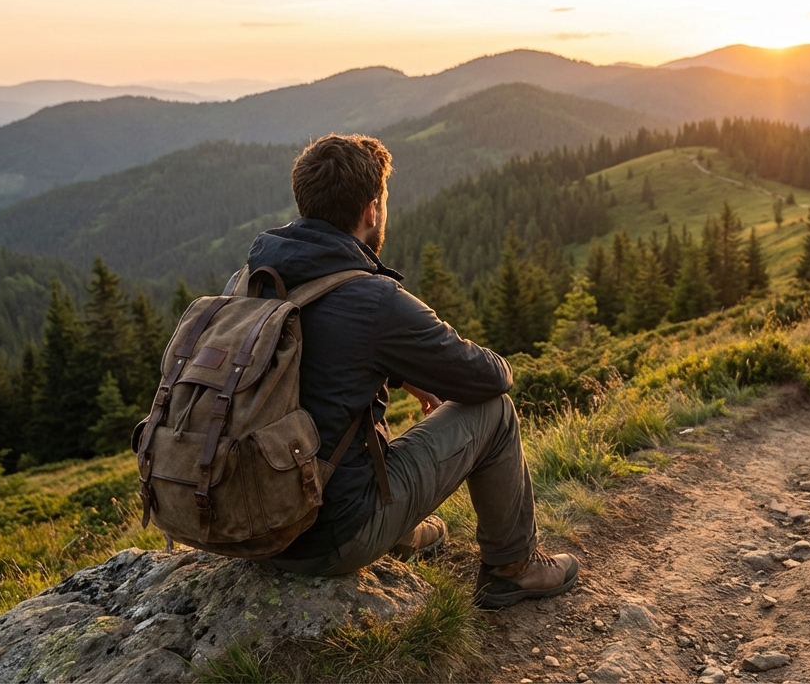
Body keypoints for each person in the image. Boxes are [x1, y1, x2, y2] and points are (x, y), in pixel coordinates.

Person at [246, 133, 578, 608]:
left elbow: (311, 361)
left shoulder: (255, 278)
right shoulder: (374, 299)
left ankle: (400, 532)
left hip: (253, 527)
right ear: (371, 211)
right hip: (330, 537)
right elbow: (489, 378)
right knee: (496, 412)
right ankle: (514, 567)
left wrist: (398, 370)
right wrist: (414, 359)